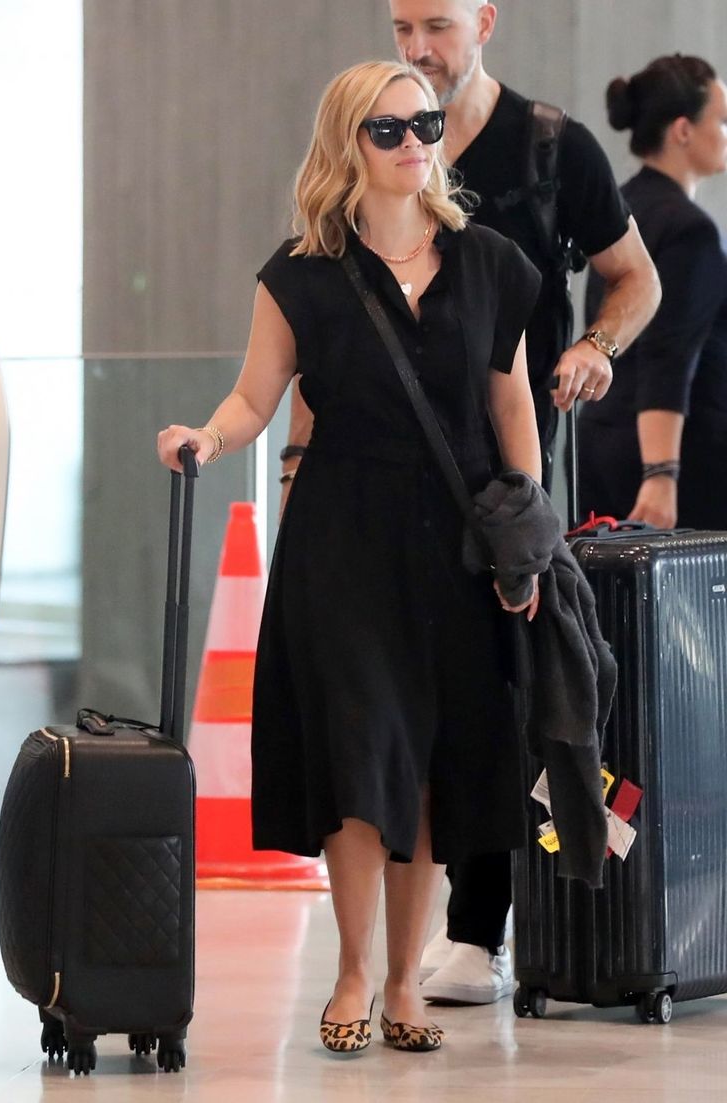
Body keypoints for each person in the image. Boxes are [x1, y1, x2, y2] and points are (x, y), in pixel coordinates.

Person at [159, 58, 547, 1054]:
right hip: (343, 540)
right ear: (347, 145)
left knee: (427, 766)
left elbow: (510, 404)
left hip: (459, 545)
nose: (414, 141)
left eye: (425, 123)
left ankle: (408, 979)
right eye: (388, 129)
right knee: (360, 748)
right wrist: (204, 437)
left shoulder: (490, 262)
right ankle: (352, 967)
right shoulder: (300, 275)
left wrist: (526, 532)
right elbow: (256, 396)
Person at [278, 0, 662, 1008]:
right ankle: (440, 943)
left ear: (484, 22)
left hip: (507, 476)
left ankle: (480, 926)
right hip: (386, 491)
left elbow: (635, 280)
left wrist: (593, 347)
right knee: (404, 704)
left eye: (437, 25)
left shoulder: (550, 147)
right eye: (402, 25)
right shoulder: (368, 173)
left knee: (501, 689)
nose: (417, 47)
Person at [580, 55, 727, 529]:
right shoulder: (690, 231)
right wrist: (661, 472)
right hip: (672, 461)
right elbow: (669, 354)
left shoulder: (621, 207)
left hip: (603, 445)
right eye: (722, 120)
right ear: (683, 130)